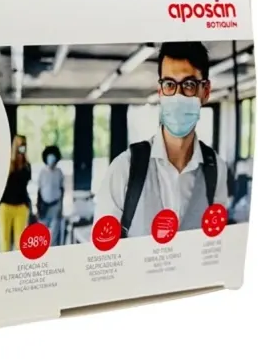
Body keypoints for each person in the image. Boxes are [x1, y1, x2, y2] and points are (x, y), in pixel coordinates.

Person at [95, 41, 229, 237]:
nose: (177, 96)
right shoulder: (125, 169)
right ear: (160, 92)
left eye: (189, 85)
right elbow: (103, 252)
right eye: (169, 85)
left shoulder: (216, 170)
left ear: (205, 91)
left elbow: (216, 243)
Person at [0, 134, 31, 251]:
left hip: (21, 207)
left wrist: (23, 159)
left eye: (24, 145)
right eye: (20, 145)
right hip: (5, 207)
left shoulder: (27, 166)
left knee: (20, 245)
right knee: (4, 244)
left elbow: (24, 184)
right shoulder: (7, 164)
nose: (22, 147)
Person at [37, 145, 64, 246]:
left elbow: (62, 190)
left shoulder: (59, 172)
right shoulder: (42, 173)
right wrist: (38, 209)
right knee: (42, 236)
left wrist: (61, 208)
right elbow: (39, 191)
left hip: (55, 206)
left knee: (54, 238)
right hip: (44, 207)